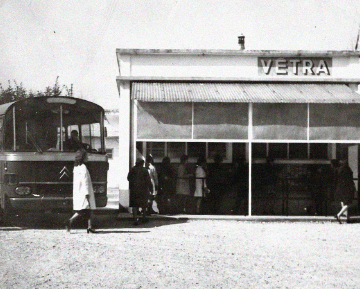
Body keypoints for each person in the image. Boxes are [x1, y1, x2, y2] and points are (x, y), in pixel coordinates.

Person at [65, 149, 96, 233]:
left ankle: (90, 227)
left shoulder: (76, 167)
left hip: (79, 192)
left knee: (86, 210)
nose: (88, 158)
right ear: (83, 157)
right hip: (84, 191)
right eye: (86, 156)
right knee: (86, 210)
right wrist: (87, 193)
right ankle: (70, 221)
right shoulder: (83, 167)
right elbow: (85, 181)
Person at [128, 158, 153, 225]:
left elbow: (128, 178)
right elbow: (148, 180)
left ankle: (135, 219)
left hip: (134, 190)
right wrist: (151, 188)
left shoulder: (133, 169)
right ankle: (144, 217)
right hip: (143, 189)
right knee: (143, 204)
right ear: (142, 163)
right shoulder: (144, 170)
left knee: (135, 205)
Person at [334, 159, 356, 224]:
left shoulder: (338, 170)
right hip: (347, 188)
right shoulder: (348, 170)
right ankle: (339, 215)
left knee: (343, 202)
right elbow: (350, 180)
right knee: (348, 203)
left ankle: (347, 218)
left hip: (340, 188)